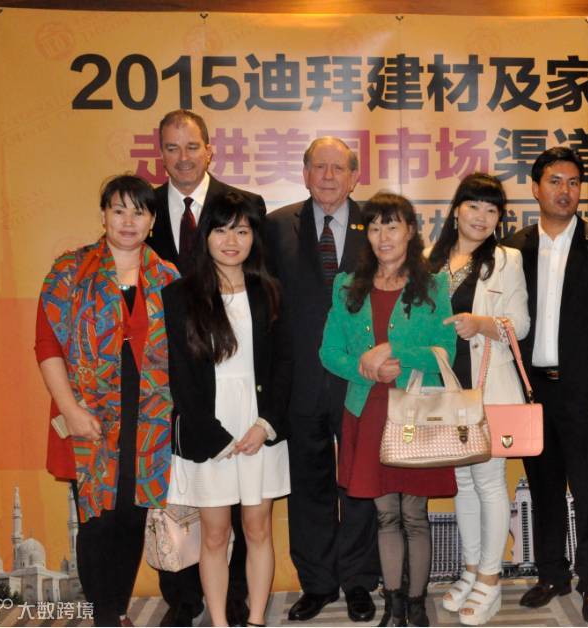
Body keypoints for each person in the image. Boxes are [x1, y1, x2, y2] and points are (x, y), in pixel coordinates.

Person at [36, 174, 178, 627]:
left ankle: (116, 609)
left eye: (139, 212)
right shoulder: (69, 272)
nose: (128, 221)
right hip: (90, 416)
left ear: (152, 221)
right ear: (103, 215)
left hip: (150, 419)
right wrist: (71, 410)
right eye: (119, 210)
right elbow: (47, 346)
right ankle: (103, 615)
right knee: (97, 517)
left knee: (133, 514)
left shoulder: (169, 278)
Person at [502, 147, 588, 624]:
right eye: (555, 181)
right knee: (542, 488)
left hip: (586, 389)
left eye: (574, 182)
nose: (565, 190)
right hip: (533, 389)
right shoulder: (514, 247)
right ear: (535, 188)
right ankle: (551, 574)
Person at [147, 109, 267, 627]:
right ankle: (183, 602)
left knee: (251, 519)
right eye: (172, 147)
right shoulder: (146, 208)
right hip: (185, 389)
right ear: (160, 154)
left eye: (192, 146)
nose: (183, 157)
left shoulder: (245, 206)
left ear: (209, 149)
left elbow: (269, 328)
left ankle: (241, 605)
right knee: (193, 510)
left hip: (248, 399)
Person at [319, 192, 457, 627]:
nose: (383, 237)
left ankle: (416, 604)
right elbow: (328, 352)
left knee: (414, 515)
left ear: (410, 231)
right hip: (368, 410)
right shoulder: (347, 285)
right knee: (385, 515)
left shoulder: (433, 284)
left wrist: (393, 350)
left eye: (392, 226)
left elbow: (447, 351)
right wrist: (365, 367)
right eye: (375, 227)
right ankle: (393, 604)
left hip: (415, 410)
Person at [264, 137, 380, 622]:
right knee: (307, 483)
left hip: (361, 378)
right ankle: (316, 582)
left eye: (338, 168)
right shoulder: (275, 226)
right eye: (319, 167)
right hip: (300, 378)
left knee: (359, 481)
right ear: (305, 174)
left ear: (355, 176)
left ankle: (358, 580)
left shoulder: (377, 222)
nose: (328, 176)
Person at [162, 191, 290, 628]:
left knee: (258, 530)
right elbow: (180, 376)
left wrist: (265, 424)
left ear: (254, 237)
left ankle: (255, 620)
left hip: (259, 424)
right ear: (205, 236)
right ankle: (218, 621)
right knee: (215, 535)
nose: (231, 241)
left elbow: (284, 365)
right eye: (221, 230)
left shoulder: (270, 292)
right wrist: (214, 435)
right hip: (208, 430)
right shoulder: (179, 296)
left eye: (242, 230)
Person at [426, 173, 529, 626]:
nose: (482, 217)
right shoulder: (431, 260)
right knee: (463, 484)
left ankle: (490, 578)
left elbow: (520, 324)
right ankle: (470, 570)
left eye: (492, 210)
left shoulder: (507, 259)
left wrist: (481, 323)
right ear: (456, 210)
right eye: (474, 206)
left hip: (489, 387)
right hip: (444, 388)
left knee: (488, 482)